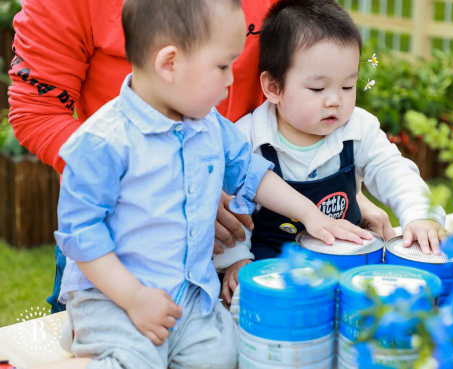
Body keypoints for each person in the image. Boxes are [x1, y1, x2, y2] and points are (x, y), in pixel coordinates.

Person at [34, 0, 373, 367]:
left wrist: (312, 214)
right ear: (169, 64)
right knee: (135, 359)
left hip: (190, 293)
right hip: (117, 295)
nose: (232, 79)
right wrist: (134, 299)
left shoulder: (207, 123)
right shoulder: (102, 142)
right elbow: (81, 235)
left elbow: (251, 173)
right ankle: (90, 327)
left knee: (225, 357)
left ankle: (87, 334)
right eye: (223, 66)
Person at [215, 0, 448, 304]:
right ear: (273, 87)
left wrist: (420, 215)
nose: (335, 101)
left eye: (348, 87)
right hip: (272, 269)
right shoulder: (248, 138)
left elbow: (393, 170)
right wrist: (235, 260)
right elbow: (234, 209)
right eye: (317, 89)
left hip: (345, 261)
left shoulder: (358, 128)